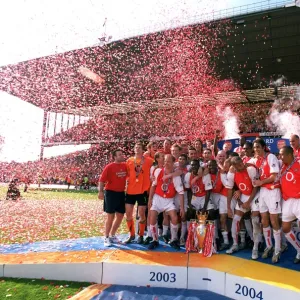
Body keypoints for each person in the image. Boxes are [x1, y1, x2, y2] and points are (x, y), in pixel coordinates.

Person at [250, 138, 282, 263]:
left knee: (274, 220)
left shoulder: (271, 157)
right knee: (264, 220)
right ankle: (269, 246)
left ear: (263, 147)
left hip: (272, 191)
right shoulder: (260, 160)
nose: (256, 149)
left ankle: (278, 249)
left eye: (258, 146)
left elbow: (274, 176)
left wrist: (260, 182)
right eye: (254, 147)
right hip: (263, 191)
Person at [225, 156, 261, 260]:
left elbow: (255, 187)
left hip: (254, 196)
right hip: (243, 196)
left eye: (241, 162)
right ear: (234, 166)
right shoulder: (231, 173)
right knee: (235, 219)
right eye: (238, 165)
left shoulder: (250, 169)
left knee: (255, 220)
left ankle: (255, 247)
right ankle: (235, 244)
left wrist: (249, 202)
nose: (242, 165)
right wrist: (228, 207)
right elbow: (230, 190)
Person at [148, 154, 185, 250]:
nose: (166, 163)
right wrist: (150, 199)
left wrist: (182, 207)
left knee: (174, 217)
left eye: (168, 161)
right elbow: (153, 185)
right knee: (152, 216)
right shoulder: (158, 171)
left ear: (173, 163)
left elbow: (181, 192)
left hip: (169, 200)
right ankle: (155, 239)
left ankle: (173, 239)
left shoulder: (176, 177)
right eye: (165, 161)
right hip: (158, 198)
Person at [125, 142, 153, 244]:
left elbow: (155, 169)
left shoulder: (149, 161)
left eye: (139, 148)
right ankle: (132, 235)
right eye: (136, 147)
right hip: (130, 191)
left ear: (142, 150)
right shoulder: (129, 161)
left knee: (141, 214)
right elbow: (126, 174)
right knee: (128, 214)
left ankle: (140, 235)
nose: (137, 149)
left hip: (142, 191)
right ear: (134, 149)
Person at [98, 149, 127, 247]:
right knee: (111, 216)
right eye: (119, 155)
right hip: (110, 193)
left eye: (122, 154)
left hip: (121, 193)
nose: (122, 156)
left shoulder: (125, 166)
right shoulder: (109, 167)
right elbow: (102, 180)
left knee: (120, 215)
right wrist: (100, 192)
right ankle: (106, 237)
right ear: (114, 157)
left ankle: (112, 235)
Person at [279, 146, 300, 263]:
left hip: (299, 199)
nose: (280, 157)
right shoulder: (282, 166)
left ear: (289, 155)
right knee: (286, 228)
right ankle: (299, 250)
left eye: (282, 155)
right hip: (287, 201)